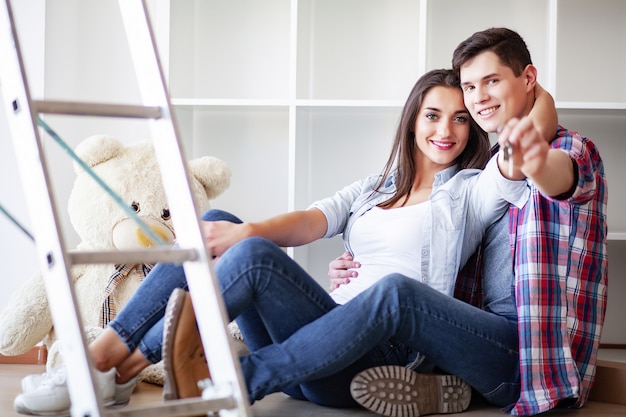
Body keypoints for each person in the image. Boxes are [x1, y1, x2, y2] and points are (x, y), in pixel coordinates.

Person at [14, 64, 557, 416]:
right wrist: (246, 229)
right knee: (225, 223)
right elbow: (308, 221)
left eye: (461, 119)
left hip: (384, 351)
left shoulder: (472, 189)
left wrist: (531, 83)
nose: (446, 130)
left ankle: (112, 362)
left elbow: (539, 118)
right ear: (413, 120)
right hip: (320, 333)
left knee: (255, 255)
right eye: (433, 115)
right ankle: (115, 357)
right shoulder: (374, 189)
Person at [331, 27, 608, 416]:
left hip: (532, 360)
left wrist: (536, 160)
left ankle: (255, 371)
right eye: (470, 86)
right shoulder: (483, 170)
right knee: (386, 303)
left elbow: (556, 176)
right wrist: (360, 267)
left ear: (528, 78)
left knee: (399, 294)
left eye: (491, 81)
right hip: (471, 342)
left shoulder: (570, 150)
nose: (479, 97)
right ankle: (440, 387)